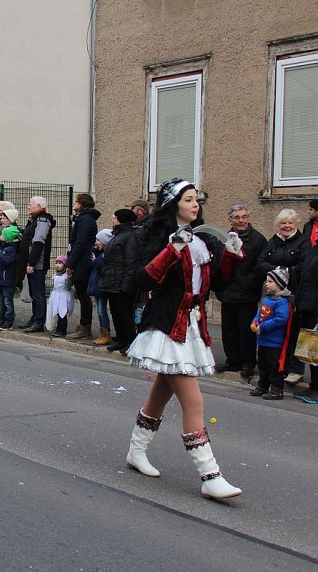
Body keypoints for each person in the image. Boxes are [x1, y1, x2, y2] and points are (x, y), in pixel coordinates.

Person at [124, 178, 244, 500]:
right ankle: (210, 475)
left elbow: (217, 284)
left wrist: (231, 256)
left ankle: (136, 452)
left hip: (191, 325)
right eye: (189, 199)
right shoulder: (161, 239)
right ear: (173, 204)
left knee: (159, 396)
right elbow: (144, 279)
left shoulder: (202, 241)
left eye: (197, 199)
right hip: (166, 324)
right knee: (194, 401)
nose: (195, 204)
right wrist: (172, 249)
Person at [257, 209, 309, 384]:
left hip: (293, 293)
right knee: (274, 330)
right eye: (283, 223)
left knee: (293, 331)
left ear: (295, 224)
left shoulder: (303, 242)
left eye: (290, 223)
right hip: (273, 294)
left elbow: (304, 266)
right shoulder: (272, 242)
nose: (286, 226)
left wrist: (284, 272)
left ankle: (295, 369)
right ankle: (278, 368)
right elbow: (261, 263)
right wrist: (276, 272)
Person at [216, 205, 267, 378]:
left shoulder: (258, 240)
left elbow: (260, 266)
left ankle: (247, 363)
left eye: (244, 217)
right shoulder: (224, 239)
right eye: (237, 217)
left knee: (246, 331)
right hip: (228, 292)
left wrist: (248, 283)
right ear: (230, 219)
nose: (241, 220)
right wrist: (221, 285)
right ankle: (232, 361)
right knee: (229, 330)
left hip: (247, 294)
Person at [249, 268, 294, 400]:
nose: (266, 284)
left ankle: (276, 390)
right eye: (266, 281)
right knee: (262, 365)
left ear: (280, 284)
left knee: (274, 367)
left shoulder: (282, 301)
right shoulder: (267, 299)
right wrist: (255, 323)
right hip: (262, 340)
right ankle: (262, 386)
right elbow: (260, 314)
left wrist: (262, 327)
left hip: (275, 342)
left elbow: (281, 319)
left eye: (270, 281)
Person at [99, 209, 140, 353]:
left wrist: (126, 283)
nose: (113, 220)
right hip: (112, 280)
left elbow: (130, 262)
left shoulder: (129, 236)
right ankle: (121, 339)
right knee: (115, 312)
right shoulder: (119, 234)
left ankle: (130, 340)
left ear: (121, 219)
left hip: (121, 281)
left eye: (115, 218)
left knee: (124, 313)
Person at [65, 193, 100, 339]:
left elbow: (80, 243)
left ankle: (84, 327)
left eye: (76, 201)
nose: (74, 204)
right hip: (81, 260)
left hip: (82, 262)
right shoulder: (83, 218)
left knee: (83, 295)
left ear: (83, 203)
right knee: (82, 294)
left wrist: (71, 264)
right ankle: (83, 326)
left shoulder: (85, 220)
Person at [20, 197, 56, 333]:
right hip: (33, 263)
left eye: (31, 205)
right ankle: (35, 318)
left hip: (37, 264)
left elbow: (38, 242)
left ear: (39, 206)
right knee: (34, 293)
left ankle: (39, 322)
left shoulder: (42, 221)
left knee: (38, 294)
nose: (29, 207)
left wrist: (31, 263)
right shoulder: (35, 220)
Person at [292, 235, 318, 404]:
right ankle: (314, 386)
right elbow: (305, 279)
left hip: (315, 308)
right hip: (308, 306)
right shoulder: (314, 250)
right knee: (312, 351)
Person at [0, 225, 21, 330]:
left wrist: (0, 254)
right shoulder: (2, 246)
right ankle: (1, 318)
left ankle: (8, 320)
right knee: (0, 301)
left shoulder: (11, 249)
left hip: (6, 279)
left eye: (3, 234)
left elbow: (8, 261)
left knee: (7, 301)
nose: (1, 236)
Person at [89, 228, 113, 346]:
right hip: (98, 285)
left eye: (98, 240)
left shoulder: (106, 254)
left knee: (101, 310)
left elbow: (103, 267)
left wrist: (95, 261)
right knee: (99, 310)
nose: (96, 243)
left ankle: (106, 333)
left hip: (102, 286)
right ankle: (103, 333)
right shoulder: (100, 253)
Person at [46, 255, 73, 337]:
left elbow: (68, 287)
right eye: (56, 263)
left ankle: (62, 330)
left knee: (62, 313)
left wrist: (69, 278)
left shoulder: (66, 276)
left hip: (63, 297)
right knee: (57, 313)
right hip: (56, 296)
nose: (57, 265)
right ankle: (58, 329)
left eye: (60, 263)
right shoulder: (55, 275)